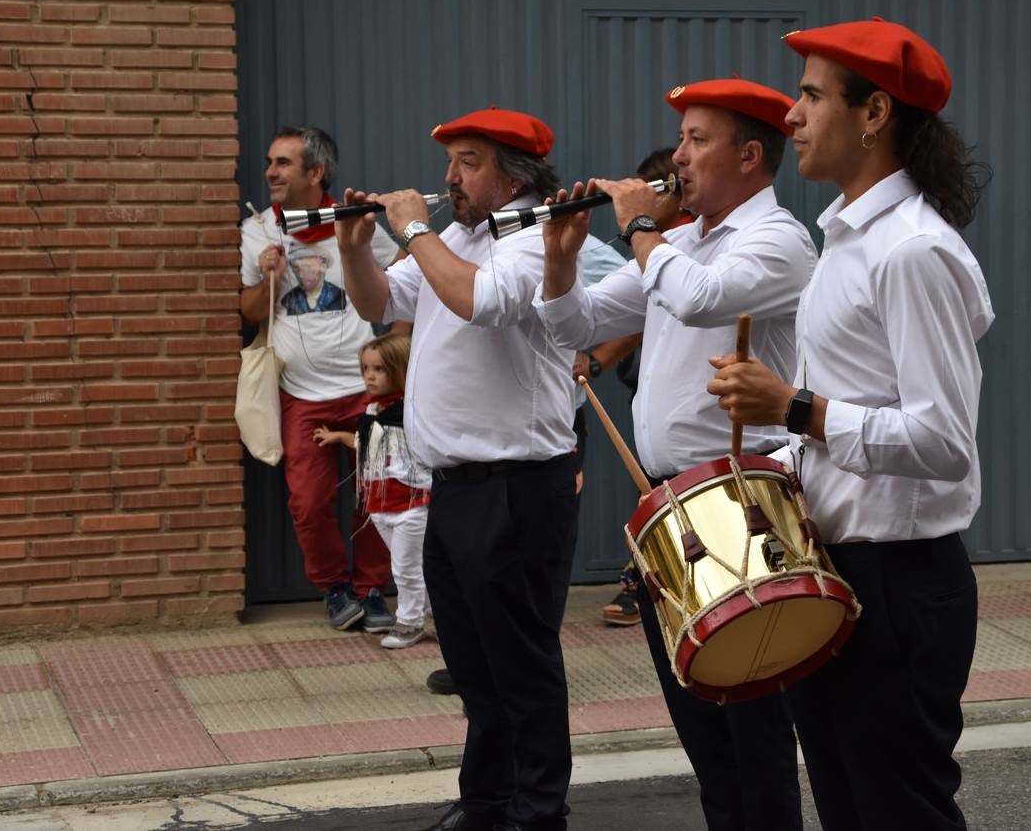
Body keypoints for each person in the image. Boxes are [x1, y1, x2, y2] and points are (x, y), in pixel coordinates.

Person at [707, 18, 994, 831]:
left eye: (810, 96)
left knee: (897, 812)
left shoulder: (911, 251)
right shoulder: (846, 239)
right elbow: (851, 418)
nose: (791, 115)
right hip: (839, 574)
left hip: (899, 585)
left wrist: (793, 407)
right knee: (848, 809)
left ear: (874, 114)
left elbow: (944, 441)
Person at [534, 79, 817, 831]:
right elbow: (576, 327)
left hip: (741, 494)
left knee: (753, 728)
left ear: (749, 156)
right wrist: (561, 259)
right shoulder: (678, 244)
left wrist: (638, 226)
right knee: (702, 725)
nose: (680, 157)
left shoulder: (777, 238)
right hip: (669, 498)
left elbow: (700, 299)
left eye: (697, 140)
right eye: (682, 139)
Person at [334, 107, 578, 831]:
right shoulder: (461, 238)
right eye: (450, 162)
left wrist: (414, 229)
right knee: (474, 667)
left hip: (516, 485)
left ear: (513, 175)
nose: (449, 178)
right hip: (454, 486)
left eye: (468, 163)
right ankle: (488, 802)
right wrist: (354, 249)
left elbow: (482, 301)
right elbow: (381, 302)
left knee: (521, 664)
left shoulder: (534, 236)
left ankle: (538, 812)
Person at [238, 125, 397, 634]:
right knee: (308, 502)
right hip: (301, 395)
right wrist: (269, 275)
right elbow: (248, 312)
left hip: (365, 389)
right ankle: (334, 588)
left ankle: (372, 588)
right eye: (270, 162)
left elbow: (407, 279)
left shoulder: (352, 222)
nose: (270, 172)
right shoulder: (258, 229)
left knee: (376, 492)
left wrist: (399, 347)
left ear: (316, 172)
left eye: (283, 163)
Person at [590, 146, 690, 628]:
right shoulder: (648, 242)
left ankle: (644, 580)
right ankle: (650, 578)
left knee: (665, 490)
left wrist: (598, 359)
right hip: (652, 385)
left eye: (654, 189)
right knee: (651, 484)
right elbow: (620, 309)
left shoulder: (679, 244)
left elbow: (664, 307)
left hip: (690, 398)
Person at [312, 333, 431, 649]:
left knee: (405, 569)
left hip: (411, 502)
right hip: (380, 505)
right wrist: (339, 437)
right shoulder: (373, 410)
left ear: (400, 369)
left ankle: (410, 622)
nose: (369, 376)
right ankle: (439, 611)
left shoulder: (413, 410)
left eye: (379, 369)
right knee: (412, 565)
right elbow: (370, 443)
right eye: (365, 368)